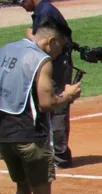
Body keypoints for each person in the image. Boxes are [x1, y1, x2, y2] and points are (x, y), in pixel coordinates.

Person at [0, 19, 80, 194]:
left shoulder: (6, 50)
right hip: (31, 135)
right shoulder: (41, 60)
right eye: (60, 47)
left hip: (4, 135)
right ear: (51, 41)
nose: (59, 53)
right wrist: (67, 96)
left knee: (21, 189)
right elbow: (46, 103)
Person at [18, 0, 74, 169]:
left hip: (57, 64)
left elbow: (46, 43)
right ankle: (52, 152)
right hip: (52, 62)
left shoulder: (46, 12)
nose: (21, 4)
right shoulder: (43, 10)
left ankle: (60, 156)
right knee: (48, 104)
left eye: (21, 0)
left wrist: (30, 36)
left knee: (57, 105)